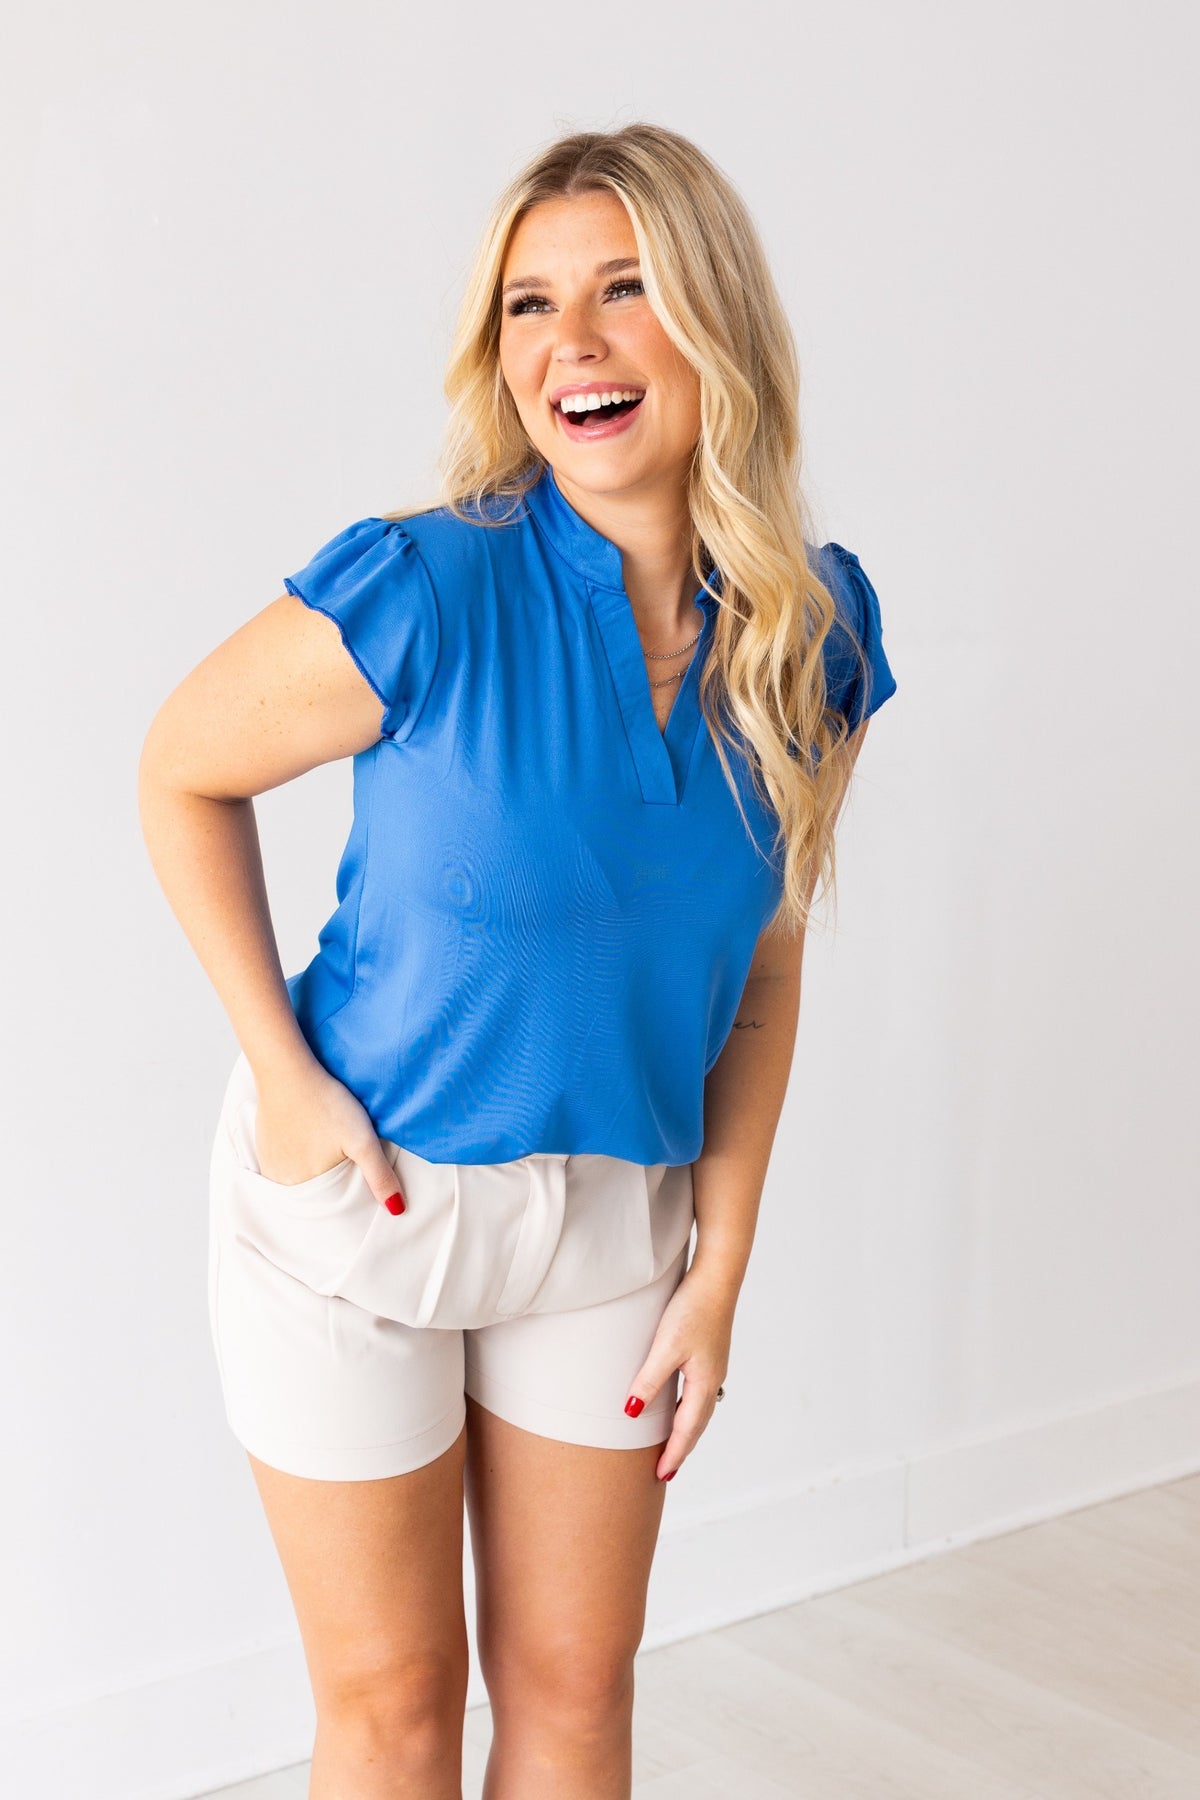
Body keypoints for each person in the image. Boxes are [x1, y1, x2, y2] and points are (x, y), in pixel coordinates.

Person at [138, 122, 897, 1800]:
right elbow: (179, 769)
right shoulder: (426, 587)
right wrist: (281, 1075)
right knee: (395, 1710)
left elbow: (763, 966)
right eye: (530, 305)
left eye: (626, 289)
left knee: (572, 1693)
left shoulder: (813, 641)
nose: (573, 345)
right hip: (359, 1208)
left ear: (717, 318)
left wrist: (720, 1265)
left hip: (616, 1222)